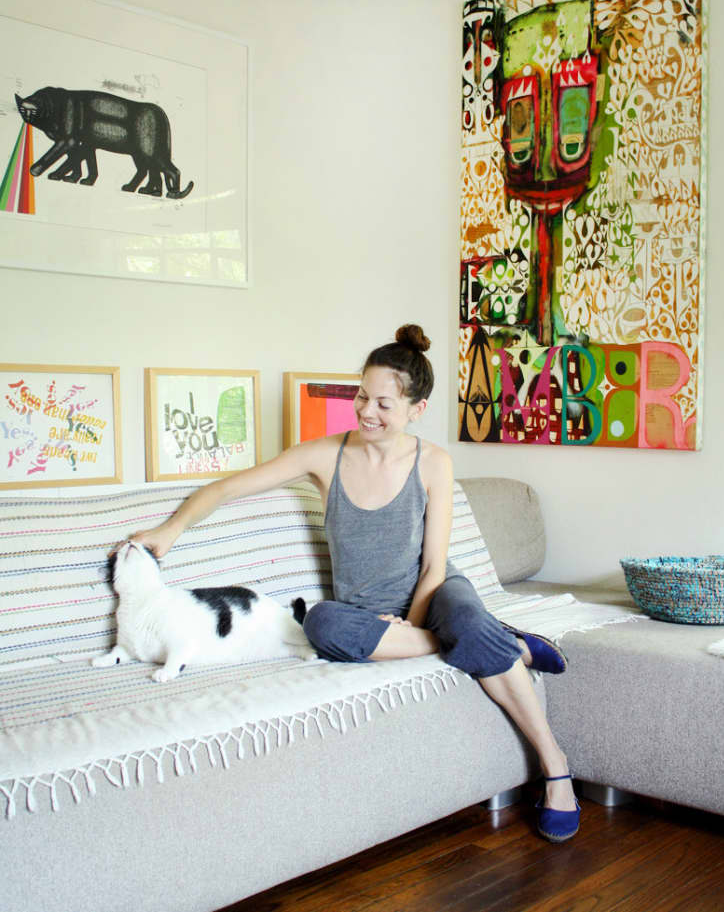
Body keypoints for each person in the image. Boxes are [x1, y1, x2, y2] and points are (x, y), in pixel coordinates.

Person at [131, 324, 580, 843]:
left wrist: (410, 624)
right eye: (362, 396)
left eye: (384, 404)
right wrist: (171, 529)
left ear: (417, 408)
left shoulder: (434, 463)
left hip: (433, 596)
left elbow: (434, 566)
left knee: (462, 614)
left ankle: (556, 768)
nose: (367, 411)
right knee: (321, 624)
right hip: (362, 615)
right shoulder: (326, 456)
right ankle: (506, 645)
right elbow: (227, 488)